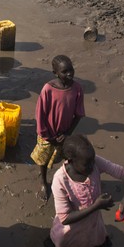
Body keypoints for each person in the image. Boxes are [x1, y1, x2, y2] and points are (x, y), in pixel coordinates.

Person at [48, 135, 124, 247]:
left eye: (92, 161)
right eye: (86, 164)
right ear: (71, 161)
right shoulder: (60, 180)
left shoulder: (93, 163)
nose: (92, 166)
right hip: (70, 233)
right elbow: (65, 218)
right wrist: (96, 206)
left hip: (94, 229)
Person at [32, 55, 85, 201]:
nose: (70, 74)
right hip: (47, 134)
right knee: (43, 159)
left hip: (65, 134)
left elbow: (79, 114)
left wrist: (68, 133)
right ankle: (43, 181)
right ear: (55, 73)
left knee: (67, 158)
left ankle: (64, 182)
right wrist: (47, 136)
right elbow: (40, 115)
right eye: (65, 72)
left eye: (71, 70)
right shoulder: (48, 89)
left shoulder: (77, 89)